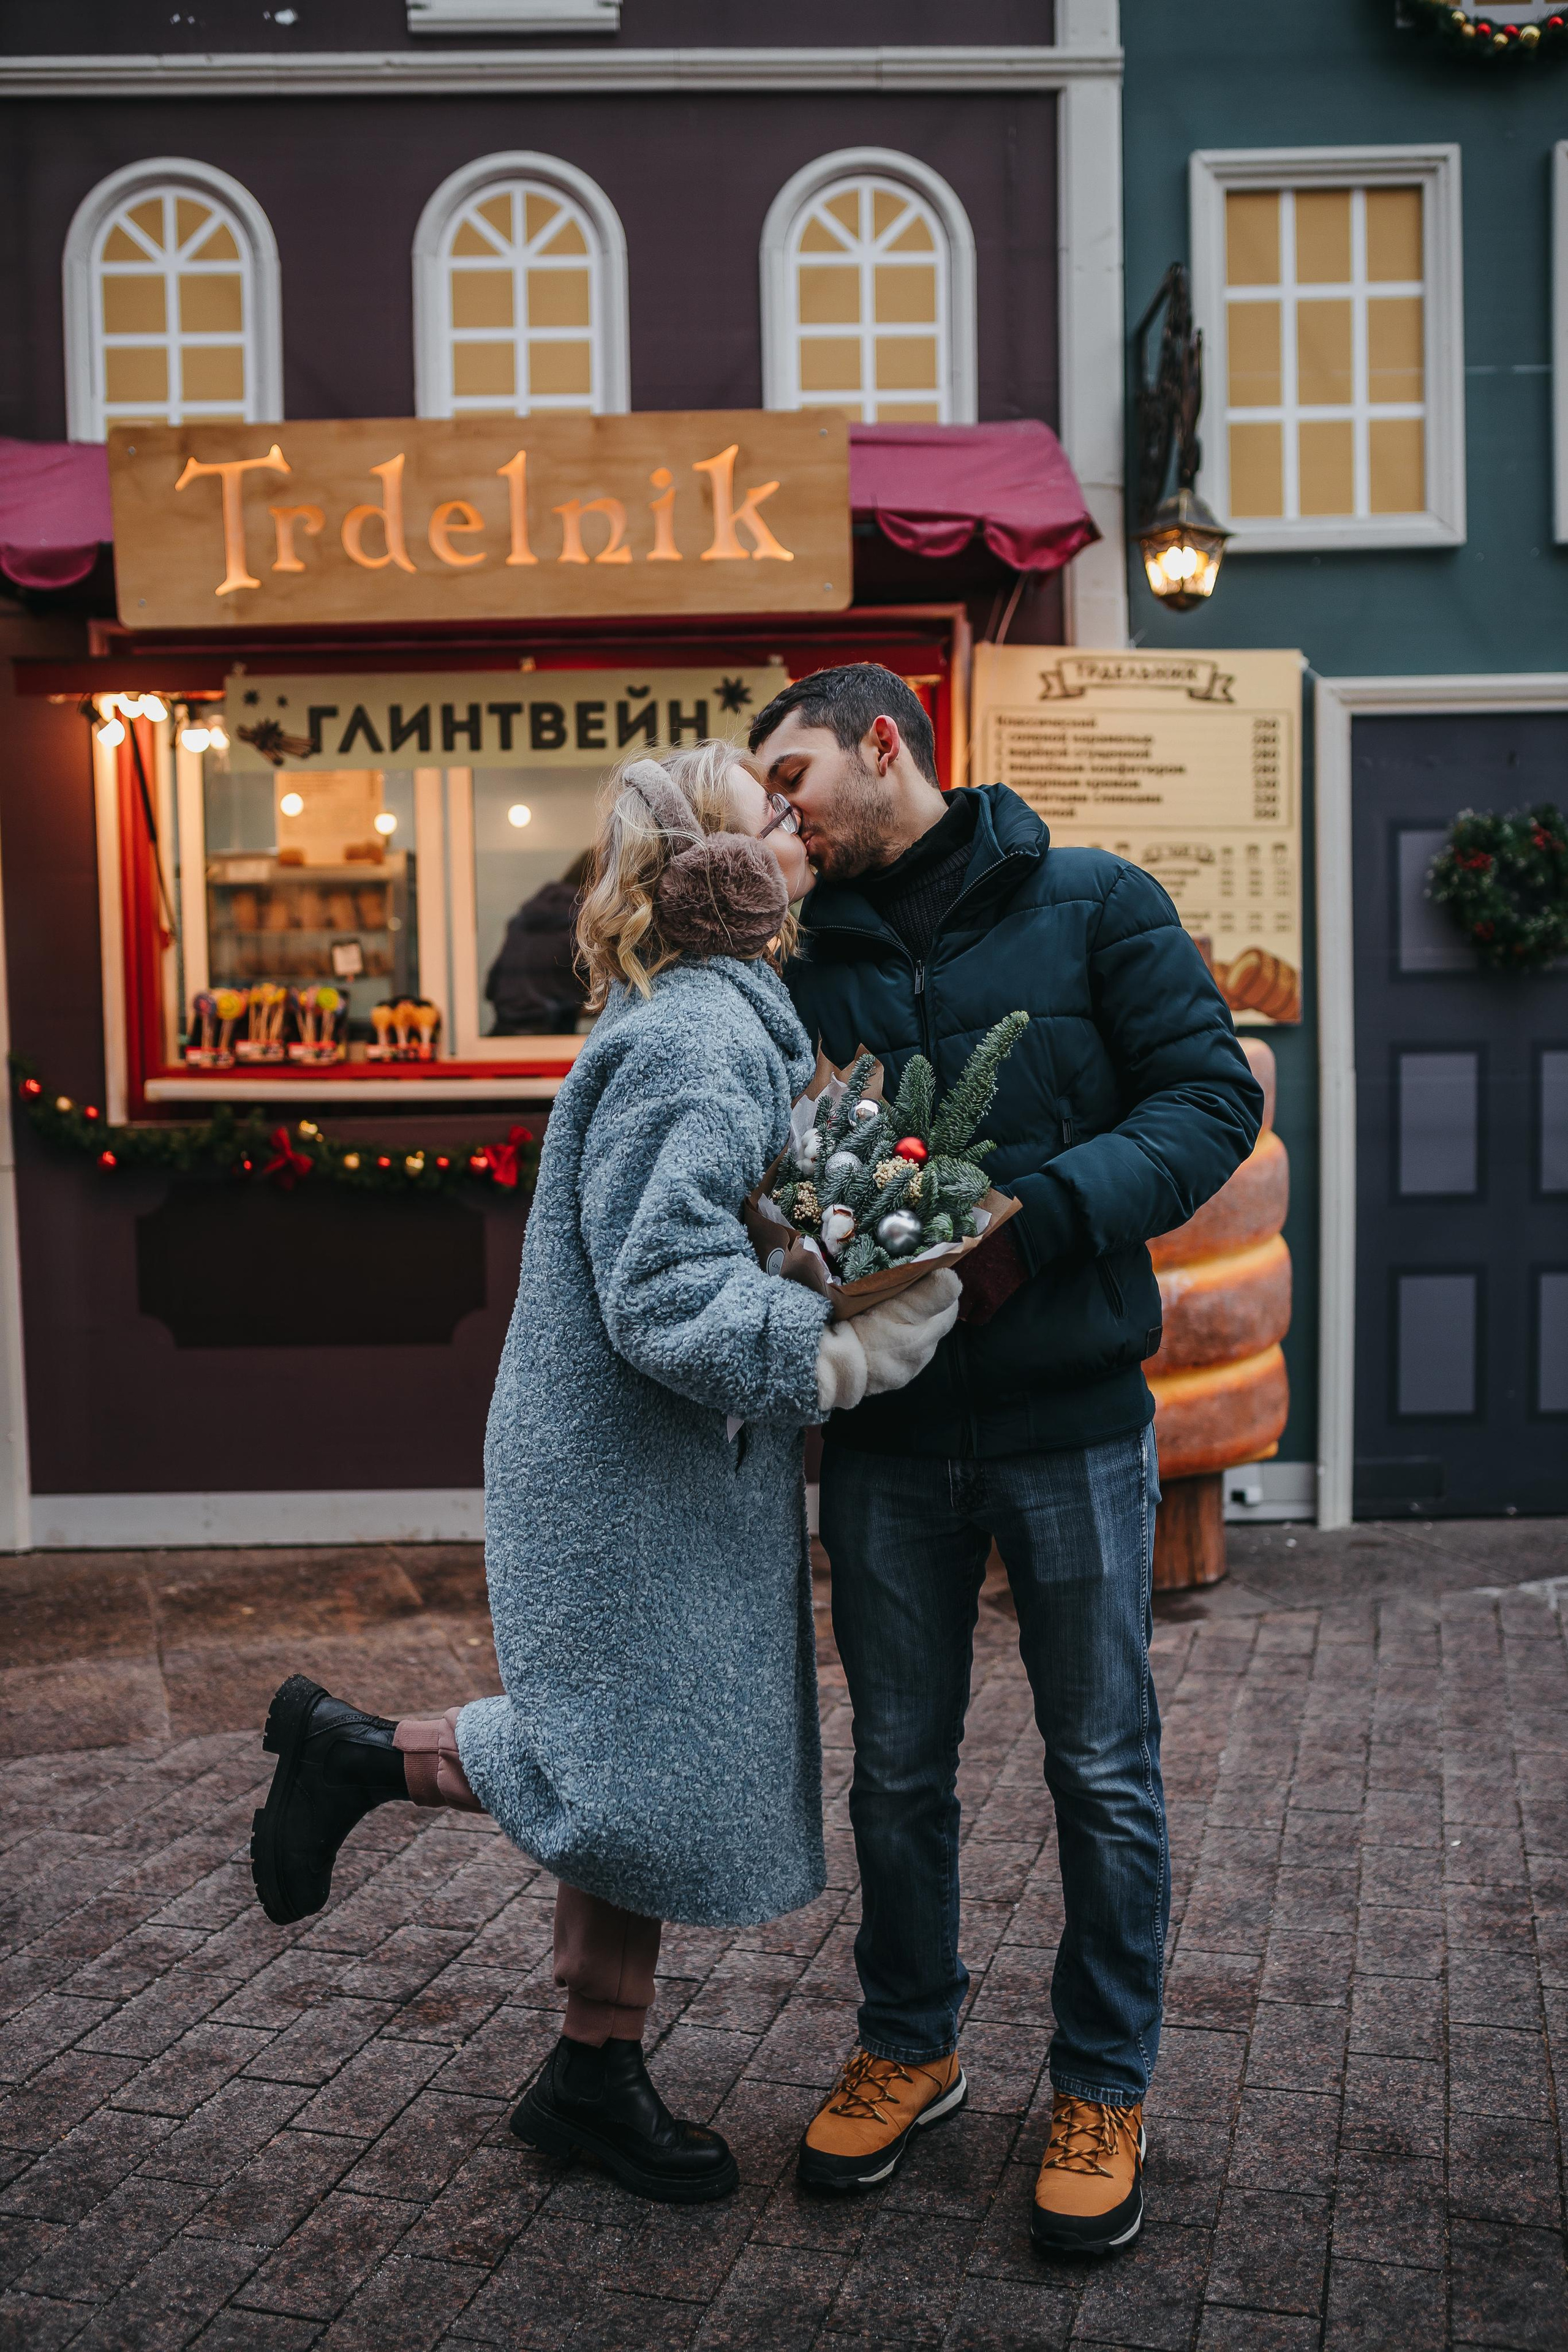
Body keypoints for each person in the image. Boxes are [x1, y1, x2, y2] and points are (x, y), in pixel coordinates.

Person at [248, 737, 960, 2206]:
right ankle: (349, 1753)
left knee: (634, 1759)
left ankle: (590, 2070)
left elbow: (707, 1239)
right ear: (713, 870)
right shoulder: (700, 1038)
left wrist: (838, 1238)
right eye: (762, 814)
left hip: (667, 1464)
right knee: (623, 1767)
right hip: (631, 1471)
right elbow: (660, 1293)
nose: (791, 823)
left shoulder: (711, 1014)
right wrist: (828, 1347)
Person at [749, 663, 1264, 2255]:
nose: (779, 817)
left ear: (880, 744)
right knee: (895, 1776)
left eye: (792, 780)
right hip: (887, 1436)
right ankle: (912, 2046)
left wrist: (1036, 1226)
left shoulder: (1094, 900)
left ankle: (1103, 2084)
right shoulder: (788, 956)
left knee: (1102, 1770)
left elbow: (1209, 1102)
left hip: (1071, 1423)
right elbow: (771, 1156)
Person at [485, 848, 593, 1035]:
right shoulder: (585, 926)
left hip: (501, 1040)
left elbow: (491, 989)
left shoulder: (523, 920)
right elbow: (603, 996)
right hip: (551, 1041)